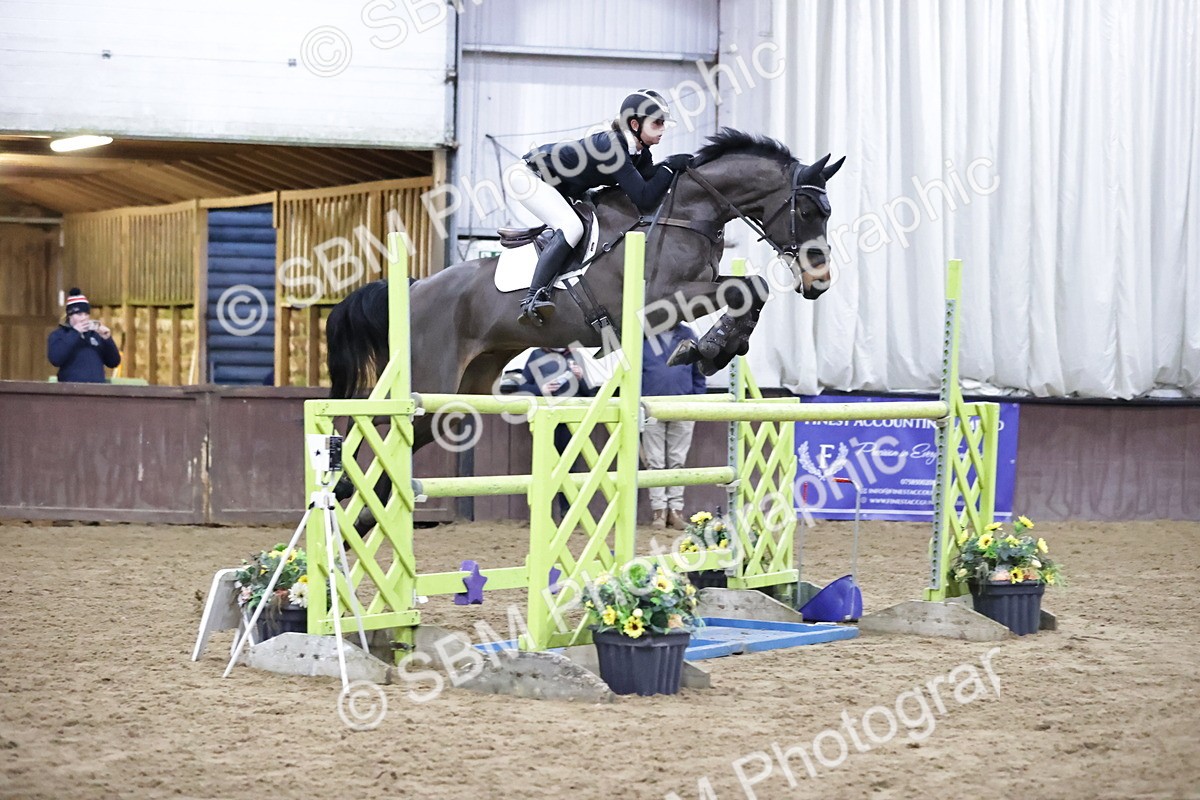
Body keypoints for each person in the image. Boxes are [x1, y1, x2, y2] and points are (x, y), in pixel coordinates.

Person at [516, 89, 694, 325]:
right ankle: (532, 298)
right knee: (572, 227)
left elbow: (648, 180)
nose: (663, 129)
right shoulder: (613, 146)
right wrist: (670, 166)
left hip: (563, 186)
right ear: (635, 124)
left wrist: (674, 167)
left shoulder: (640, 153)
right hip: (530, 177)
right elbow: (644, 197)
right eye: (657, 123)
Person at [513, 347, 595, 521]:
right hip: (546, 421)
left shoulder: (575, 355)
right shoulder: (536, 355)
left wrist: (580, 378)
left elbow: (589, 392)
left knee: (570, 467)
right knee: (544, 466)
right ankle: (543, 514)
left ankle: (568, 514)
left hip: (571, 421)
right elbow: (522, 388)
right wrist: (541, 389)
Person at [642, 323, 707, 529]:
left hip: (683, 406)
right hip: (651, 407)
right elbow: (634, 371)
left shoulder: (688, 335)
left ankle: (675, 510)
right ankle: (659, 510)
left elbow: (699, 371)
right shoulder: (643, 335)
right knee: (655, 460)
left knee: (677, 460)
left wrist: (696, 403)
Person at [47, 288, 121, 383]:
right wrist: (75, 333)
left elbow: (113, 362)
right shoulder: (59, 335)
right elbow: (56, 359)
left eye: (86, 314)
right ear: (70, 316)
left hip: (96, 388)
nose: (84, 318)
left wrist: (107, 339)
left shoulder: (95, 335)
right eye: (79, 314)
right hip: (70, 388)